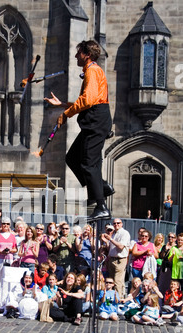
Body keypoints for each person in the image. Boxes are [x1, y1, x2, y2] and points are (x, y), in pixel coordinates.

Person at [44, 40, 113, 220]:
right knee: (73, 158)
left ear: (87, 54)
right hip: (95, 119)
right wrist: (63, 104)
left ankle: (101, 205)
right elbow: (89, 101)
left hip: (96, 121)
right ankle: (101, 186)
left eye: (78, 53)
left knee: (89, 163)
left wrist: (66, 114)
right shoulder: (93, 71)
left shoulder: (92, 70)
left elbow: (88, 101)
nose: (76, 56)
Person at [102, 218, 131, 299]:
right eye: (114, 223)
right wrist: (106, 241)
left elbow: (121, 246)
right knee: (111, 281)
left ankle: (118, 299)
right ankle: (111, 298)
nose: (116, 225)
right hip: (111, 259)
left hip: (120, 259)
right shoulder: (113, 234)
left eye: (118, 223)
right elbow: (110, 248)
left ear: (122, 224)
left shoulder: (124, 233)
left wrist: (110, 239)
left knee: (117, 281)